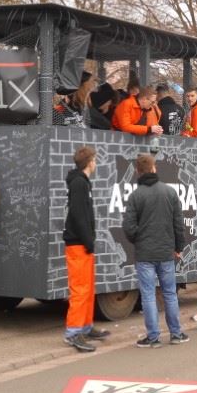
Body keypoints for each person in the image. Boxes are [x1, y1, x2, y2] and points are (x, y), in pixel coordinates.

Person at [123, 154, 189, 347]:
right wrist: (179, 247)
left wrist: (139, 239)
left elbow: (128, 227)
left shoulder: (135, 196)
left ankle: (153, 337)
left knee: (148, 296)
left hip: (145, 254)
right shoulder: (169, 192)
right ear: (154, 168)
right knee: (170, 293)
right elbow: (178, 224)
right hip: (166, 252)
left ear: (138, 171)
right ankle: (176, 334)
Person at [62, 146, 109, 352]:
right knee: (80, 290)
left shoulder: (82, 182)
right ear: (89, 162)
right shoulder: (79, 183)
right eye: (95, 160)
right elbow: (78, 215)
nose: (96, 163)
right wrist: (89, 241)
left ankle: (86, 327)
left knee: (88, 288)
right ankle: (73, 333)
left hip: (83, 244)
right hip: (78, 244)